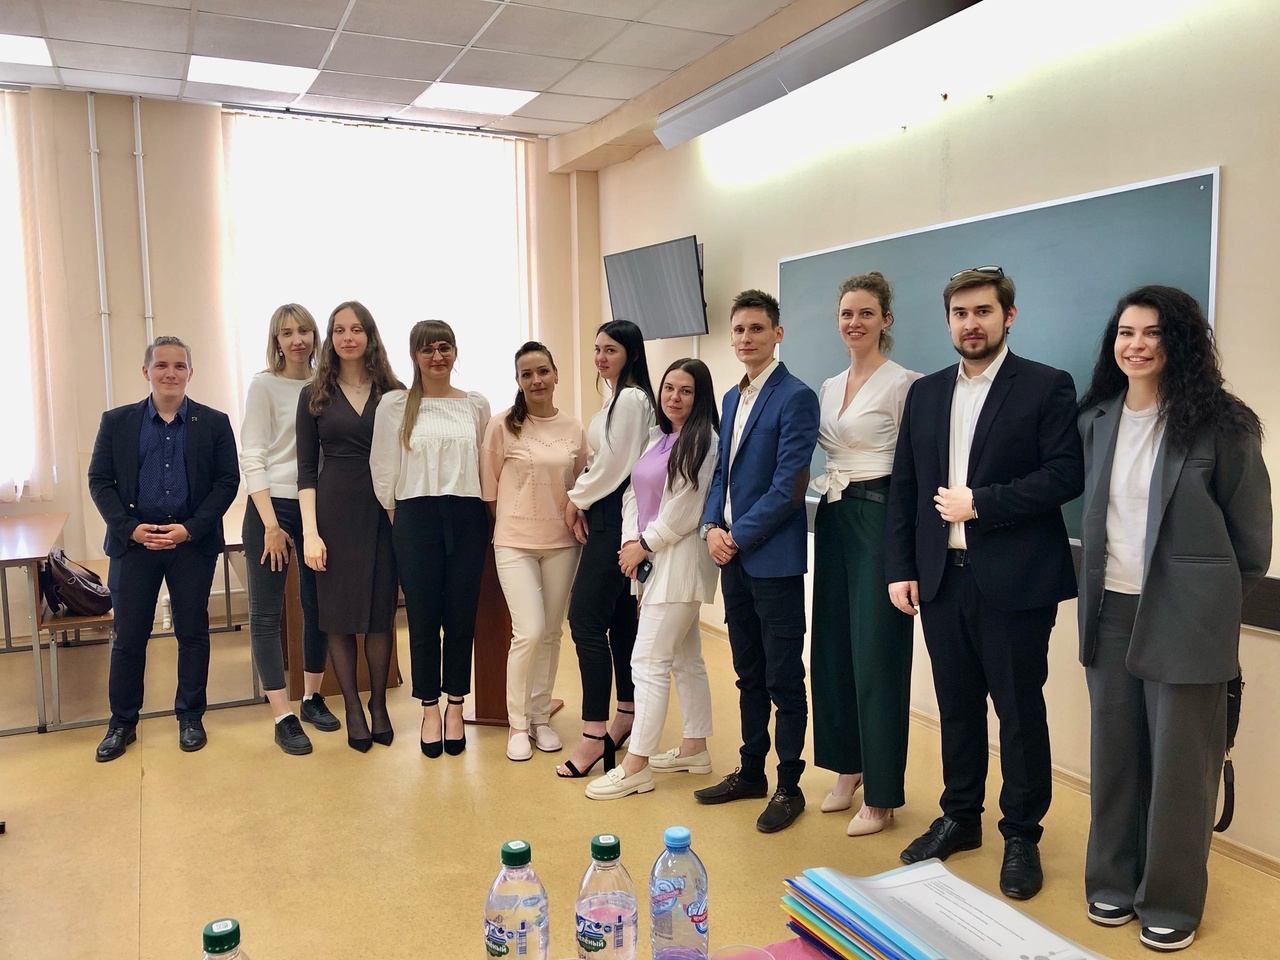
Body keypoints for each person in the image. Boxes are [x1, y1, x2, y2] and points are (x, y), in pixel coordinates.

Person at [1076, 286, 1270, 953]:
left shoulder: (1223, 423)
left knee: (1182, 770)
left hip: (1188, 618)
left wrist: (1207, 606)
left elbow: (1252, 544)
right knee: (1115, 757)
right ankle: (1111, 880)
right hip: (1111, 612)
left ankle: (1170, 901)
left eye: (1152, 332)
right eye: (1125, 332)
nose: (1135, 345)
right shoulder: (1096, 419)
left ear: (1179, 341)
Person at [885, 267, 1084, 900]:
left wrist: (982, 503)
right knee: (957, 705)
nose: (971, 324)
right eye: (960, 314)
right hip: (942, 579)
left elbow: (1065, 476)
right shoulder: (926, 393)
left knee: (1019, 711)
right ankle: (961, 817)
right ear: (948, 321)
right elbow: (907, 486)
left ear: (1008, 316)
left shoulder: (1047, 385)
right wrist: (901, 567)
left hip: (1016, 582)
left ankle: (1021, 833)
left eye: (983, 312)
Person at [696, 289, 820, 833]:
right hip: (733, 559)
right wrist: (710, 528)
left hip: (773, 560)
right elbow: (721, 474)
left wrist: (737, 536)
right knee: (747, 673)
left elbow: (788, 487)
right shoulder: (731, 398)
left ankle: (789, 786)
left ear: (777, 334)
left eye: (757, 328)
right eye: (739, 330)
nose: (746, 338)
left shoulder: (796, 397)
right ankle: (750, 772)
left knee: (783, 677)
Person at [88, 336, 239, 761]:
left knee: (193, 633)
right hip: (134, 545)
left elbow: (227, 481)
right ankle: (122, 723)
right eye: (161, 366)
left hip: (191, 544)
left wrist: (190, 529)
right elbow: (100, 481)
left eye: (178, 366)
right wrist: (130, 529)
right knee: (129, 637)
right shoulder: (117, 422)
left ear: (190, 372)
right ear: (146, 371)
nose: (170, 373)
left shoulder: (214, 422)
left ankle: (190, 717)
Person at [810, 273, 920, 836]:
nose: (855, 322)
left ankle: (882, 795)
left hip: (880, 517)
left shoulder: (905, 384)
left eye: (866, 313)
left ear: (885, 320)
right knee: (832, 649)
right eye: (847, 313)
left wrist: (908, 552)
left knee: (877, 653)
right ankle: (847, 769)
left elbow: (916, 470)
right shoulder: (829, 386)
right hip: (832, 515)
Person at [586, 358, 720, 801]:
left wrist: (644, 544)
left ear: (700, 397)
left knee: (646, 663)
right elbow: (631, 492)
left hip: (679, 563)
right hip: (650, 556)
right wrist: (631, 539)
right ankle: (695, 748)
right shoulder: (657, 437)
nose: (674, 398)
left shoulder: (705, 441)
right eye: (669, 389)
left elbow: (686, 509)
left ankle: (636, 765)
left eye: (686, 391)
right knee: (684, 658)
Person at [371, 320, 490, 758]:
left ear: (455, 352)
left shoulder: (475, 404)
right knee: (422, 617)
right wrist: (397, 513)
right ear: (414, 355)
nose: (437, 356)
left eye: (444, 347)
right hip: (414, 515)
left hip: (467, 514)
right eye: (427, 349)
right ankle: (428, 709)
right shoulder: (395, 404)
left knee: (461, 614)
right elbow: (383, 465)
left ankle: (455, 705)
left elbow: (485, 464)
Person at [297, 301, 403, 753]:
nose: (347, 337)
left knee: (380, 613)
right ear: (330, 338)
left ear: (370, 336)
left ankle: (379, 704)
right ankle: (354, 709)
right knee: (337, 616)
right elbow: (306, 471)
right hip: (333, 511)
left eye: (356, 329)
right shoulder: (314, 394)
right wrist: (310, 533)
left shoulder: (393, 392)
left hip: (383, 510)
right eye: (339, 330)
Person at [239, 304, 340, 756]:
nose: (297, 340)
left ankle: (312, 697)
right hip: (272, 506)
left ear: (316, 336)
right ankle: (282, 715)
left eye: (304, 331)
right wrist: (270, 525)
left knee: (318, 605)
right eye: (286, 333)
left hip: (316, 502)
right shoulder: (264, 385)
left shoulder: (326, 384)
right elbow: (253, 455)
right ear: (276, 341)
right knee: (266, 613)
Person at [558, 320, 656, 778]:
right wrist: (584, 495)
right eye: (597, 349)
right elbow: (603, 460)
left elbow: (616, 465)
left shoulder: (632, 399)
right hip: (608, 512)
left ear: (630, 353)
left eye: (610, 350)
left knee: (584, 621)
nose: (600, 357)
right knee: (618, 622)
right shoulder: (616, 398)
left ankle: (594, 734)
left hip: (617, 517)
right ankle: (627, 716)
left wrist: (575, 499)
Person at [480, 342, 588, 762]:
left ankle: (541, 717)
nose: (536, 380)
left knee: (552, 633)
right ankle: (518, 724)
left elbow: (579, 485)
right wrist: (513, 524)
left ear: (556, 374)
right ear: (518, 380)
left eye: (543, 371)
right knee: (527, 631)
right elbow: (489, 489)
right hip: (514, 543)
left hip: (561, 543)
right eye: (527, 374)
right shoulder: (502, 425)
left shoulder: (574, 428)